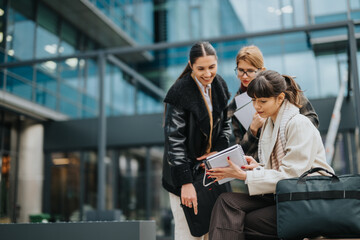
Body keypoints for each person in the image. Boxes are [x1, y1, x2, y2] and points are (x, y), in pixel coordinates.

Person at [207, 70, 334, 240]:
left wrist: (244, 175)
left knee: (250, 221)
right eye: (253, 100)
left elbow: (292, 176)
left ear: (280, 98)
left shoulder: (298, 124)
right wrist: (256, 167)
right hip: (283, 194)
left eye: (263, 101)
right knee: (226, 202)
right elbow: (281, 169)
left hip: (306, 199)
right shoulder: (269, 124)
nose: (257, 106)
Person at [162, 41, 232, 240]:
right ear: (191, 65)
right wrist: (185, 183)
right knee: (189, 235)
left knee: (214, 232)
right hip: (183, 176)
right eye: (201, 68)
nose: (208, 73)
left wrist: (218, 150)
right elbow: (174, 141)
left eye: (212, 67)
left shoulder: (220, 86)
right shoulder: (180, 92)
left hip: (209, 172)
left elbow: (225, 125)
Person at [228, 45, 319, 160]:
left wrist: (282, 125)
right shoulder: (235, 106)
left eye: (250, 71)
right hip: (261, 167)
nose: (244, 76)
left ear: (262, 70)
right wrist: (253, 130)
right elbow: (241, 152)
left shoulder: (285, 87)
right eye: (240, 70)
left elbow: (312, 120)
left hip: (293, 156)